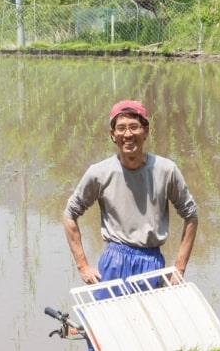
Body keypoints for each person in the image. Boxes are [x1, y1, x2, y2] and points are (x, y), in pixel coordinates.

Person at [63, 100, 200, 292]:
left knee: (148, 321)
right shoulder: (99, 173)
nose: (127, 134)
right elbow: (70, 214)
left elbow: (191, 215)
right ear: (113, 135)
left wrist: (180, 267)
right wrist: (82, 265)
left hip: (151, 263)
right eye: (121, 128)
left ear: (146, 131)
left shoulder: (166, 170)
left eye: (134, 127)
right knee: (104, 320)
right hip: (114, 261)